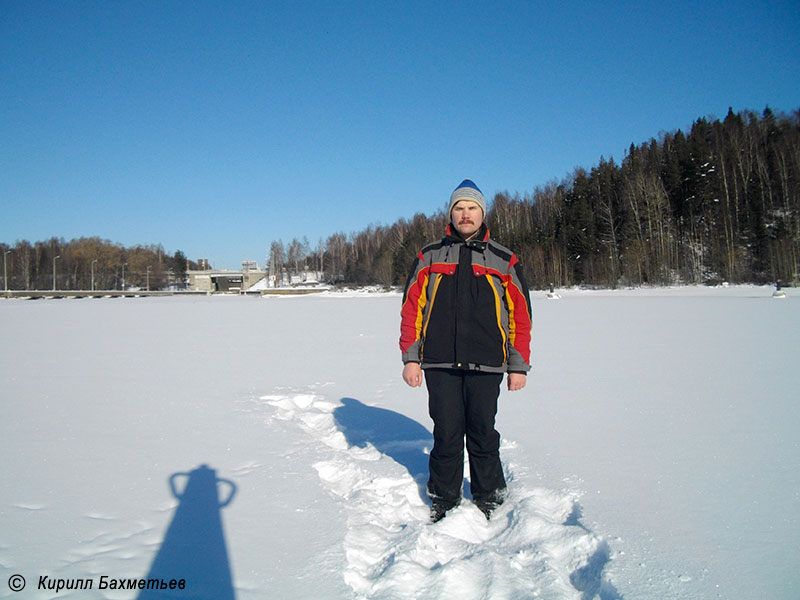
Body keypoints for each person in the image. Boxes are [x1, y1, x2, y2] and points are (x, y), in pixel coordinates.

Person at [399, 179, 532, 522]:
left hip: (488, 362)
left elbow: (521, 314)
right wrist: (411, 358)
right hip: (439, 362)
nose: (465, 214)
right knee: (446, 431)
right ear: (451, 214)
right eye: (459, 208)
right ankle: (444, 497)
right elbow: (412, 308)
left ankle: (490, 495)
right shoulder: (429, 256)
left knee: (482, 430)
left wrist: (518, 365)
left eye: (472, 208)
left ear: (482, 213)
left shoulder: (504, 259)